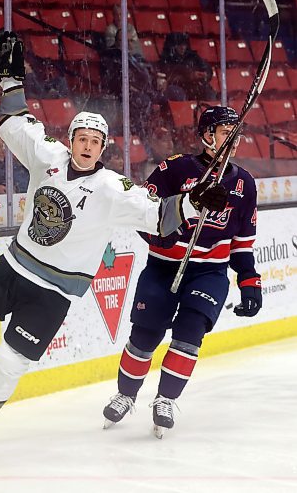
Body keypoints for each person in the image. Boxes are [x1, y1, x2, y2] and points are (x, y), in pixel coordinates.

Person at [0, 32, 227, 448]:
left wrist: (194, 203)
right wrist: (11, 79)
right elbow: (15, 124)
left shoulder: (113, 188)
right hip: (12, 266)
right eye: (82, 138)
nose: (87, 146)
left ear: (103, 148)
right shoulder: (49, 156)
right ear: (71, 140)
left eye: (96, 142)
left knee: (11, 361)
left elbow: (159, 216)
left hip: (53, 292)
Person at [103, 106, 263, 438]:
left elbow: (243, 242)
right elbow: (140, 218)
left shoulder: (244, 184)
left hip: (210, 273)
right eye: (226, 132)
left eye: (237, 133)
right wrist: (171, 231)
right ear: (207, 135)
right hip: (163, 267)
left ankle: (165, 399)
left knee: (190, 333)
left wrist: (249, 282)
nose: (234, 140)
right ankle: (126, 394)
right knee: (145, 335)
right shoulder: (173, 170)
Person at [159, 32, 216, 102]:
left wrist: (205, 74)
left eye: (184, 45)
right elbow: (170, 77)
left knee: (208, 92)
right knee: (177, 93)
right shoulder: (166, 59)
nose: (183, 47)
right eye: (179, 45)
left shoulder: (192, 56)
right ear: (173, 45)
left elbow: (205, 67)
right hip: (179, 88)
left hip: (194, 86)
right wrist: (190, 75)